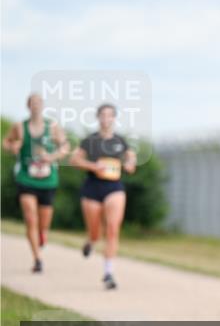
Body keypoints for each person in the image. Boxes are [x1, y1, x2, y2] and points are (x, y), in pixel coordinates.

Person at [69, 103, 137, 290]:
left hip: (114, 187)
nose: (106, 119)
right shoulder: (90, 141)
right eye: (103, 115)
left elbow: (131, 157)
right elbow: (74, 160)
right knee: (95, 232)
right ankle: (90, 242)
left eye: (110, 115)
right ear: (98, 118)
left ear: (114, 118)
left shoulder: (120, 140)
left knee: (113, 229)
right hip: (92, 188)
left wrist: (130, 163)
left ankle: (108, 273)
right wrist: (93, 166)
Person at [2, 93, 70, 273]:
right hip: (26, 177)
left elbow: (65, 146)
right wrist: (12, 147)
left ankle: (42, 234)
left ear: (43, 106)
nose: (36, 106)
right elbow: (6, 142)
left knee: (43, 223)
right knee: (31, 218)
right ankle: (37, 259)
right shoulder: (20, 126)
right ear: (28, 106)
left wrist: (53, 156)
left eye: (39, 103)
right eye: (33, 103)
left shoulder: (52, 126)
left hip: (48, 180)